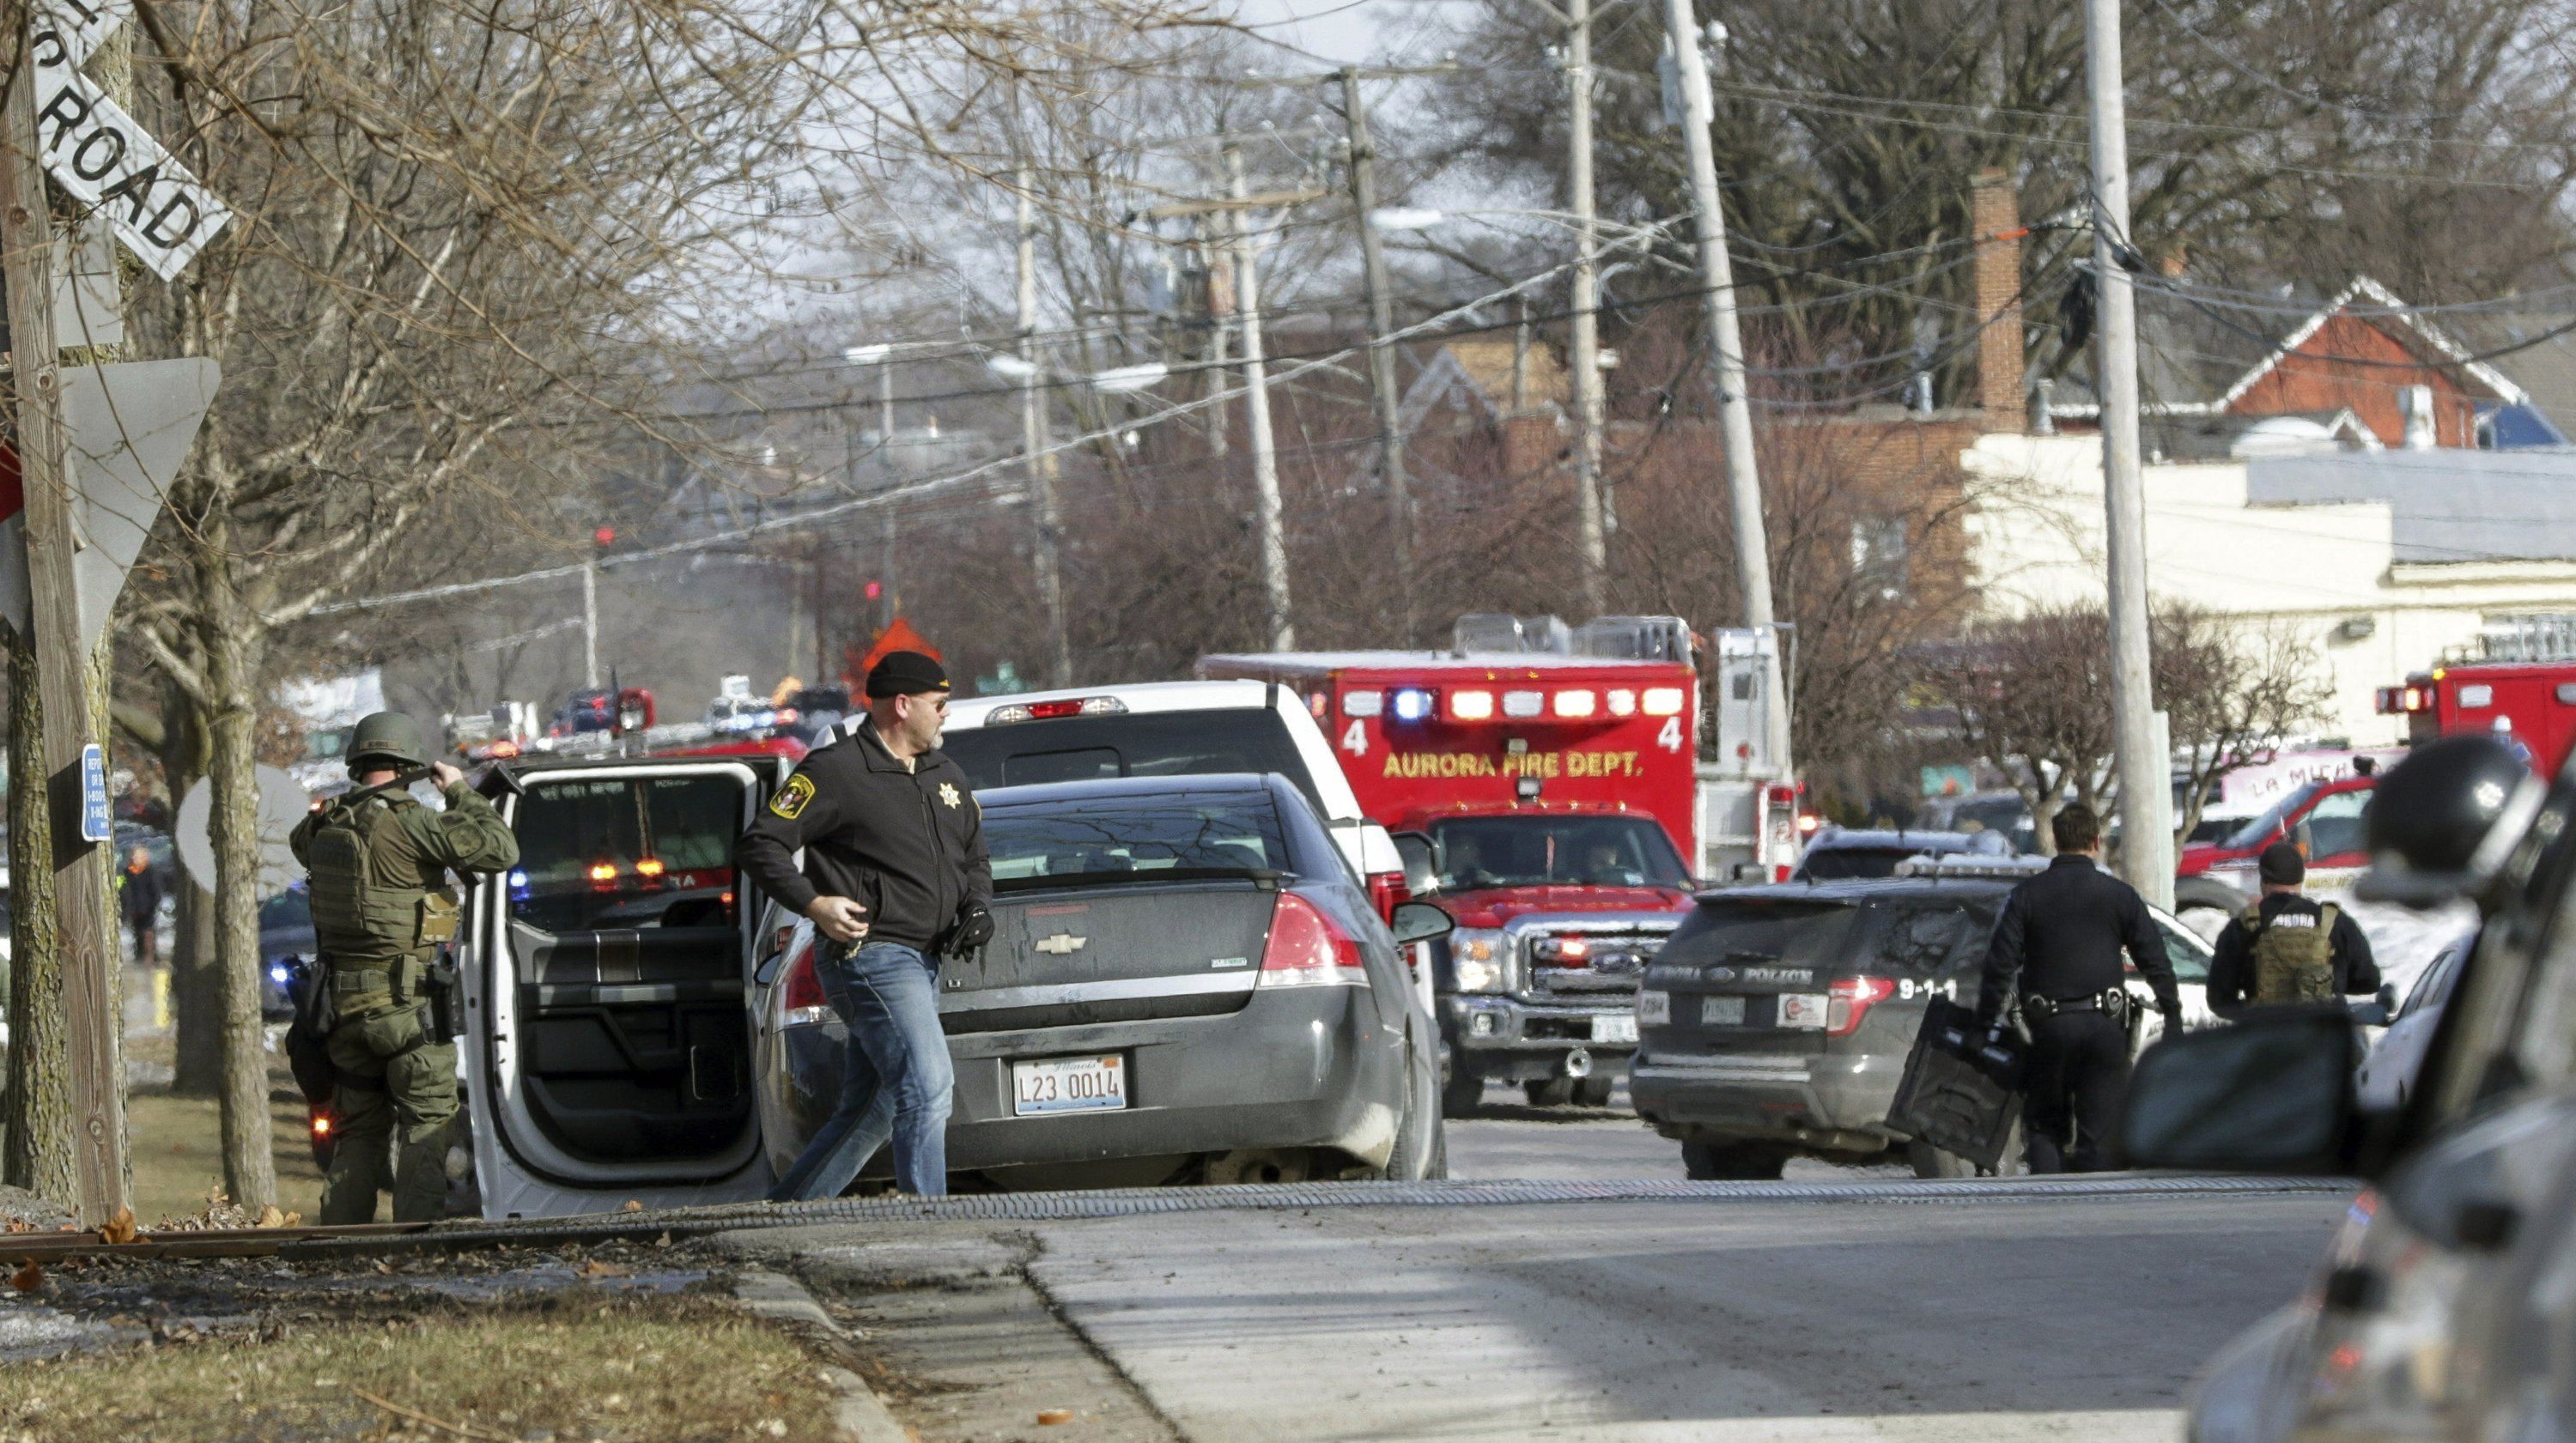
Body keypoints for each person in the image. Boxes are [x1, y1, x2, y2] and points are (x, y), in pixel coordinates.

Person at [738, 650, 992, 1200]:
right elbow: (763, 843)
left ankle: (780, 1217)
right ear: (902, 705)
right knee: (928, 1088)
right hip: (870, 955)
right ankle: (932, 1224)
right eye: (939, 704)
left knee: (872, 1109)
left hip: (923, 960)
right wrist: (813, 904)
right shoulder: (837, 771)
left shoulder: (945, 774)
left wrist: (977, 905)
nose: (946, 714)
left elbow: (974, 855)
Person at [289, 711, 519, 1224]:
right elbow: (501, 849)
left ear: (357, 763)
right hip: (408, 1010)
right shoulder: (415, 822)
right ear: (408, 763)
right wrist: (459, 790)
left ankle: (341, 1251)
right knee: (427, 1124)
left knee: (359, 1133)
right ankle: (412, 1245)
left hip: (343, 1012)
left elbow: (300, 842)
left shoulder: (323, 825)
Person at [1977, 803, 2183, 1173]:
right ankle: (2094, 1221)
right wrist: (2173, 1015)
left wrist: (1983, 1024)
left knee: (2043, 1128)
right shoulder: (2119, 896)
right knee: (2101, 1134)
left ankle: (2047, 1211)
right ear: (2096, 841)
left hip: (2046, 1031)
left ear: (2055, 841)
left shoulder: (2027, 896)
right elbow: (2156, 961)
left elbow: (1999, 966)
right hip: (2104, 1029)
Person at [2207, 841, 2382, 1017]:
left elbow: (2219, 999)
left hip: (2265, 1037)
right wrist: (2331, 985)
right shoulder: (2334, 922)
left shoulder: (2244, 925)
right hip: (2325, 1036)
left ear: (2263, 880)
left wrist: (2254, 1013)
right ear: (2301, 878)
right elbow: (2370, 981)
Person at [118, 846, 163, 968]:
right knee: (137, 933)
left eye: (137, 855)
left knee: (148, 933)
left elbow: (156, 891)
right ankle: (139, 957)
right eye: (132, 855)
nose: (134, 858)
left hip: (147, 909)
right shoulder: (127, 872)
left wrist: (153, 906)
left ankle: (149, 958)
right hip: (134, 909)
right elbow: (124, 889)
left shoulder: (150, 871)